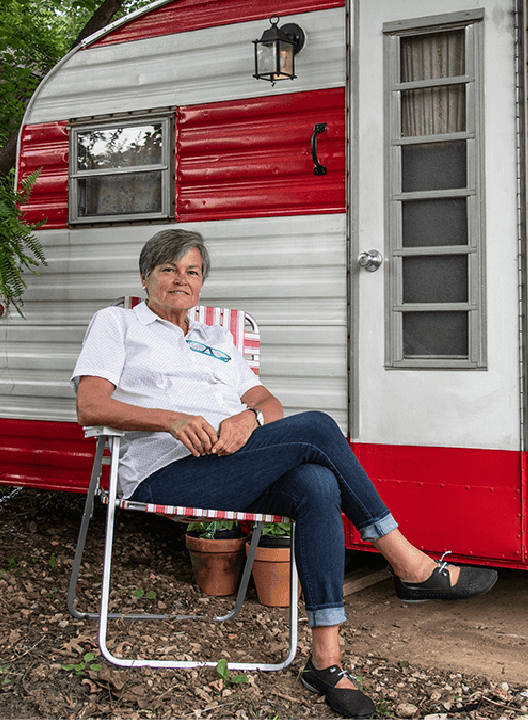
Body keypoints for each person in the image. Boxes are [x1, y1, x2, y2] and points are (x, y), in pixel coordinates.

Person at [72, 228, 497, 720]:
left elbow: (267, 402)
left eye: (192, 271)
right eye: (168, 269)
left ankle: (326, 660)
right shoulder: (117, 324)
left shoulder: (217, 338)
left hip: (230, 463)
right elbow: (90, 405)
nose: (180, 280)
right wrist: (171, 419)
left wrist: (247, 418)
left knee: (315, 484)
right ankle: (409, 563)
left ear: (202, 283)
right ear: (145, 277)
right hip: (165, 472)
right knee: (317, 427)